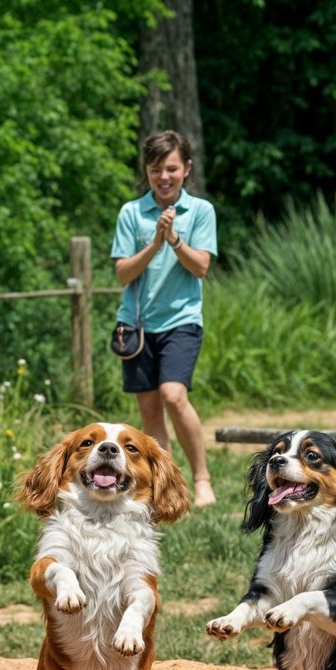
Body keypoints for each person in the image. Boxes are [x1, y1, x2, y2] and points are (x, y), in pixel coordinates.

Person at [111, 130, 219, 508]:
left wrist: (173, 240)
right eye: (156, 169)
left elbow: (201, 266)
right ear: (147, 171)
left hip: (182, 320)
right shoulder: (132, 213)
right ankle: (167, 489)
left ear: (186, 169)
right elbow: (123, 273)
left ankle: (202, 478)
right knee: (149, 409)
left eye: (171, 168)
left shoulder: (201, 211)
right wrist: (154, 243)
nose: (164, 177)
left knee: (174, 395)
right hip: (136, 325)